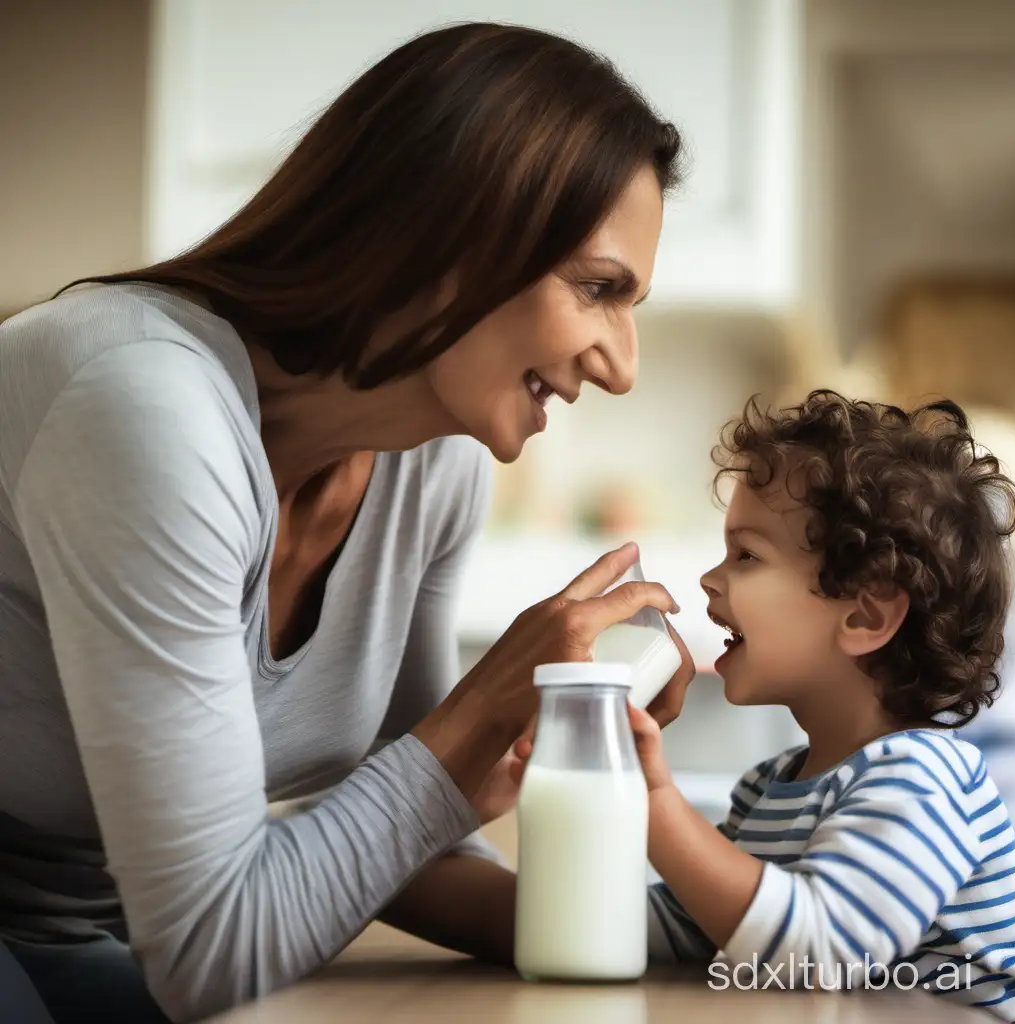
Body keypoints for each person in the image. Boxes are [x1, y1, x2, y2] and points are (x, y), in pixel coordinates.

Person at [0, 22, 695, 1024]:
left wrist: (698, 929)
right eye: (598, 289)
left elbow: (394, 839)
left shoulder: (435, 466)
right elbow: (213, 945)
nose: (621, 364)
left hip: (88, 942)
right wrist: (471, 716)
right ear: (455, 238)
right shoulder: (142, 404)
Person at [618, 391, 1015, 1018]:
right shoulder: (766, 792)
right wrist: (419, 872)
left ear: (864, 615)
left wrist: (653, 806)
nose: (710, 580)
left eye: (746, 555)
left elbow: (819, 952)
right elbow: (674, 933)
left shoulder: (926, 780)